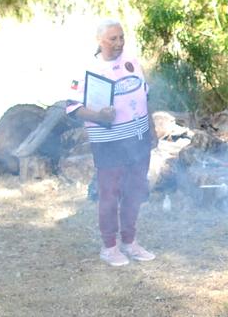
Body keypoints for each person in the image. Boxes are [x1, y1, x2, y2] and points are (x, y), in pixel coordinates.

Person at [66, 19, 158, 267]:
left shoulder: (131, 62)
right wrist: (98, 116)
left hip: (137, 136)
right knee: (110, 193)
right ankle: (109, 247)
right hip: (109, 140)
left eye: (121, 37)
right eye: (112, 39)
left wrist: (151, 126)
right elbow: (73, 108)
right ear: (100, 41)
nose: (118, 43)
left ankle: (130, 242)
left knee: (135, 190)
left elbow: (143, 95)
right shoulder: (88, 69)